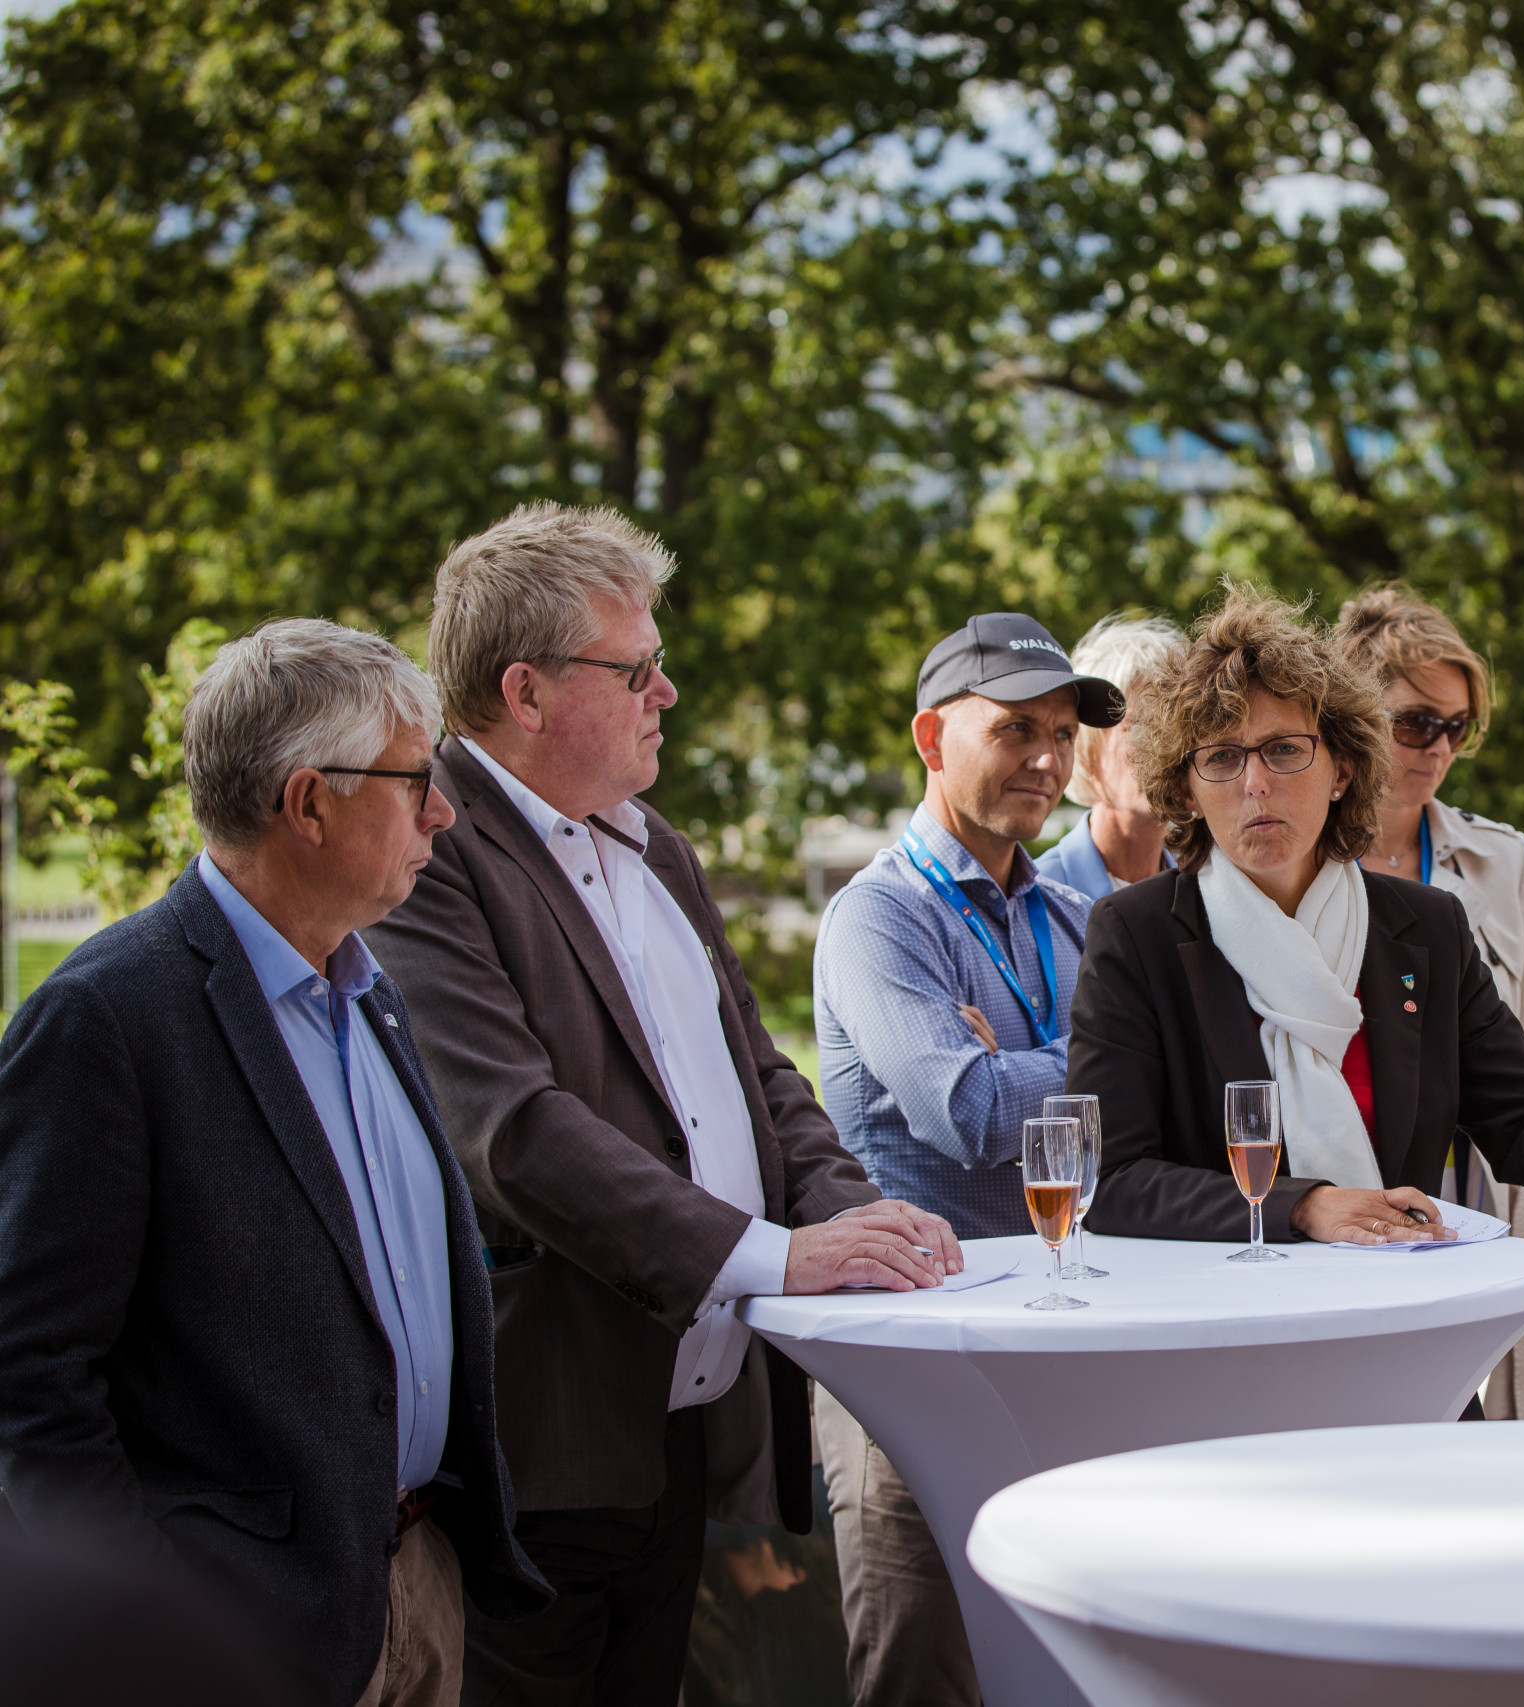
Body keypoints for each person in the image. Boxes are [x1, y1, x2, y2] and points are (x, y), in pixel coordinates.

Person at [368, 505, 960, 1707]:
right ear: (525, 694)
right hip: (545, 1439)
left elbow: (763, 1084)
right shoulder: (432, 845)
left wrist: (865, 1226)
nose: (669, 690)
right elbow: (513, 1134)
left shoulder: (657, 848)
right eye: (635, 669)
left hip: (686, 1435)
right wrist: (776, 1257)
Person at [0, 619, 549, 1707]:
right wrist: (149, 1626)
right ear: (308, 803)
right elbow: (29, 1378)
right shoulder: (106, 1018)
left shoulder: (363, 984)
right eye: (414, 779)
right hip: (232, 1631)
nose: (443, 811)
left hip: (412, 1581)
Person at [1070, 585, 1524, 1254]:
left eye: (1283, 749)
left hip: (1394, 1308)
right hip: (1222, 1322)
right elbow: (1115, 1180)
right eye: (1221, 757)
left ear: (1343, 769)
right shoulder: (1136, 934)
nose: (1255, 783)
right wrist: (1302, 1205)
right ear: (1186, 787)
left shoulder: (1426, 930)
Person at [811, 611, 1125, 1706]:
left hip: (1060, 1340)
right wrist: (1097, 1057)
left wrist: (1030, 1061)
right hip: (913, 1359)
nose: (1045, 758)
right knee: (923, 1670)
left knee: (1060, 1666)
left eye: (1058, 731)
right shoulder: (876, 919)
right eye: (1013, 730)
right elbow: (975, 1117)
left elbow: (1152, 1101)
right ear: (930, 736)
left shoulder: (1081, 915)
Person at [1336, 584, 1524, 1419]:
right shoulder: (1297, 865)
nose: (1437, 746)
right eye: (1414, 722)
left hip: (1483, 1199)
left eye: (1456, 726)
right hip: (1346, 1208)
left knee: (1492, 1448)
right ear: (1354, 715)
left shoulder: (1501, 859)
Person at [1037, 612, 1187, 902]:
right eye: (1139, 726)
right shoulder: (1042, 894)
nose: (1166, 746)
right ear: (1085, 748)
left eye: (1176, 724)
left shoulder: (1207, 884)